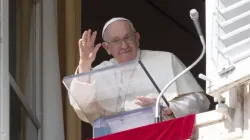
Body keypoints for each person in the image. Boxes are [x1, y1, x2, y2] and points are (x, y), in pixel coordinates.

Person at [68, 17, 210, 124]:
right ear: (107, 48)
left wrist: (166, 109)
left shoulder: (166, 60)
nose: (124, 45)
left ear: (137, 38)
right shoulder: (99, 73)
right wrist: (85, 63)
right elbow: (83, 109)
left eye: (127, 37)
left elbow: (201, 102)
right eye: (116, 41)